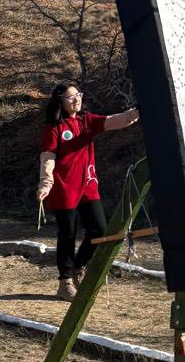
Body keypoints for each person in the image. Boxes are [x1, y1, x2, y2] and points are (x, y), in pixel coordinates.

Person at [37, 82, 139, 300]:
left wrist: (137, 112)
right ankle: (64, 282)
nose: (77, 100)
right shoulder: (54, 127)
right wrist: (45, 184)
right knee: (67, 235)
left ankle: (78, 265)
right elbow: (48, 157)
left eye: (78, 95)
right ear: (60, 102)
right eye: (71, 97)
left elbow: (114, 121)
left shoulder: (87, 121)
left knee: (100, 229)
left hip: (87, 185)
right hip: (64, 187)